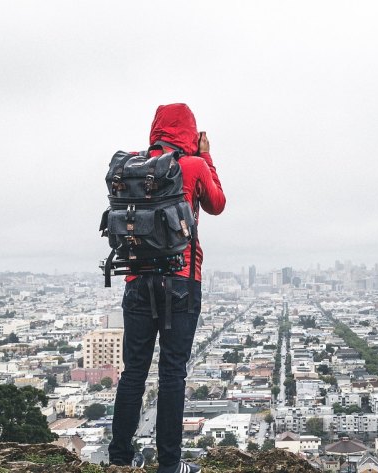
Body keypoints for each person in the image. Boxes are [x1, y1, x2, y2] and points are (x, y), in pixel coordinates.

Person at [109, 103, 226, 473]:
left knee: (133, 373)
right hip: (181, 280)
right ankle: (170, 466)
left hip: (136, 280)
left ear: (156, 129)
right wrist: (207, 157)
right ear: (190, 132)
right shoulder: (191, 166)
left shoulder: (132, 168)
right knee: (173, 373)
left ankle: (119, 461)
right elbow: (218, 204)